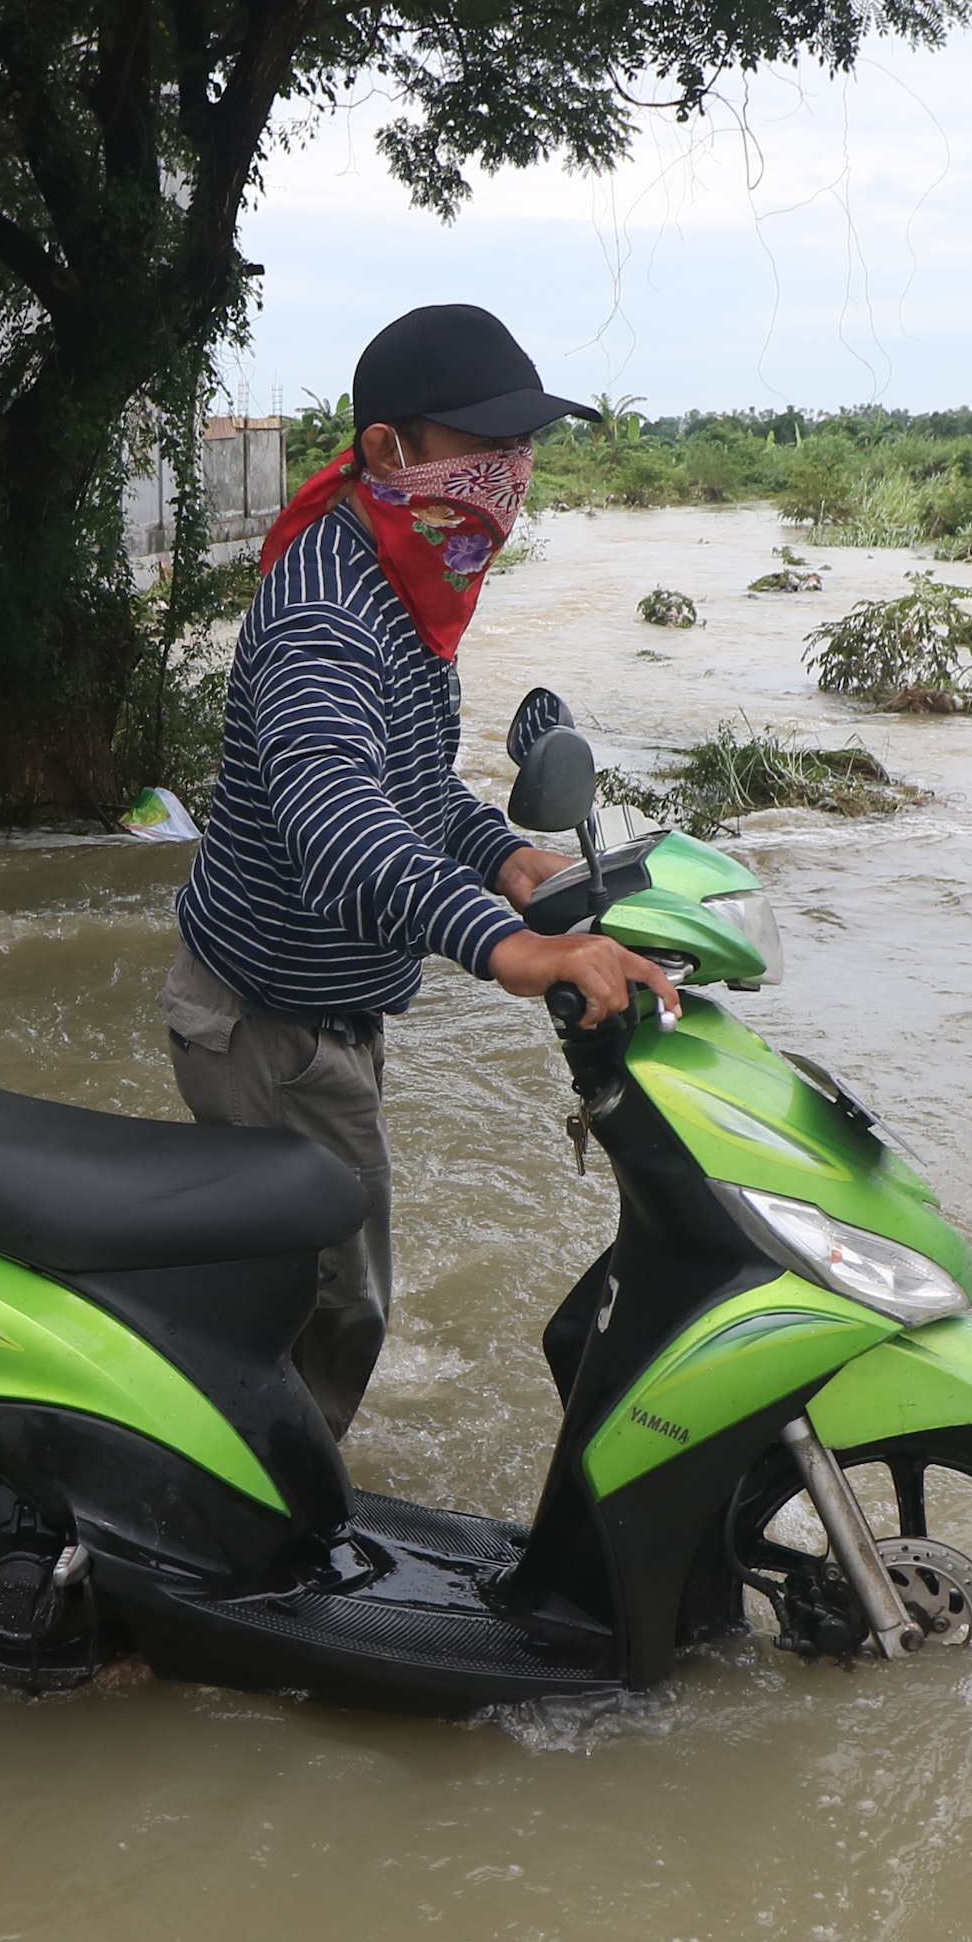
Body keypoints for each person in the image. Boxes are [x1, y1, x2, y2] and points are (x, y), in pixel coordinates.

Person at [166, 305, 681, 1436]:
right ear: (388, 449)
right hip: (268, 1023)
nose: (510, 472)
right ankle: (262, 1511)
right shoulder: (325, 612)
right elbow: (337, 820)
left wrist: (506, 856)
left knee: (323, 1298)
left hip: (321, 1009)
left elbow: (408, 783)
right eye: (483, 444)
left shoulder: (403, 580)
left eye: (522, 445)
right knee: (330, 1307)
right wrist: (512, 946)